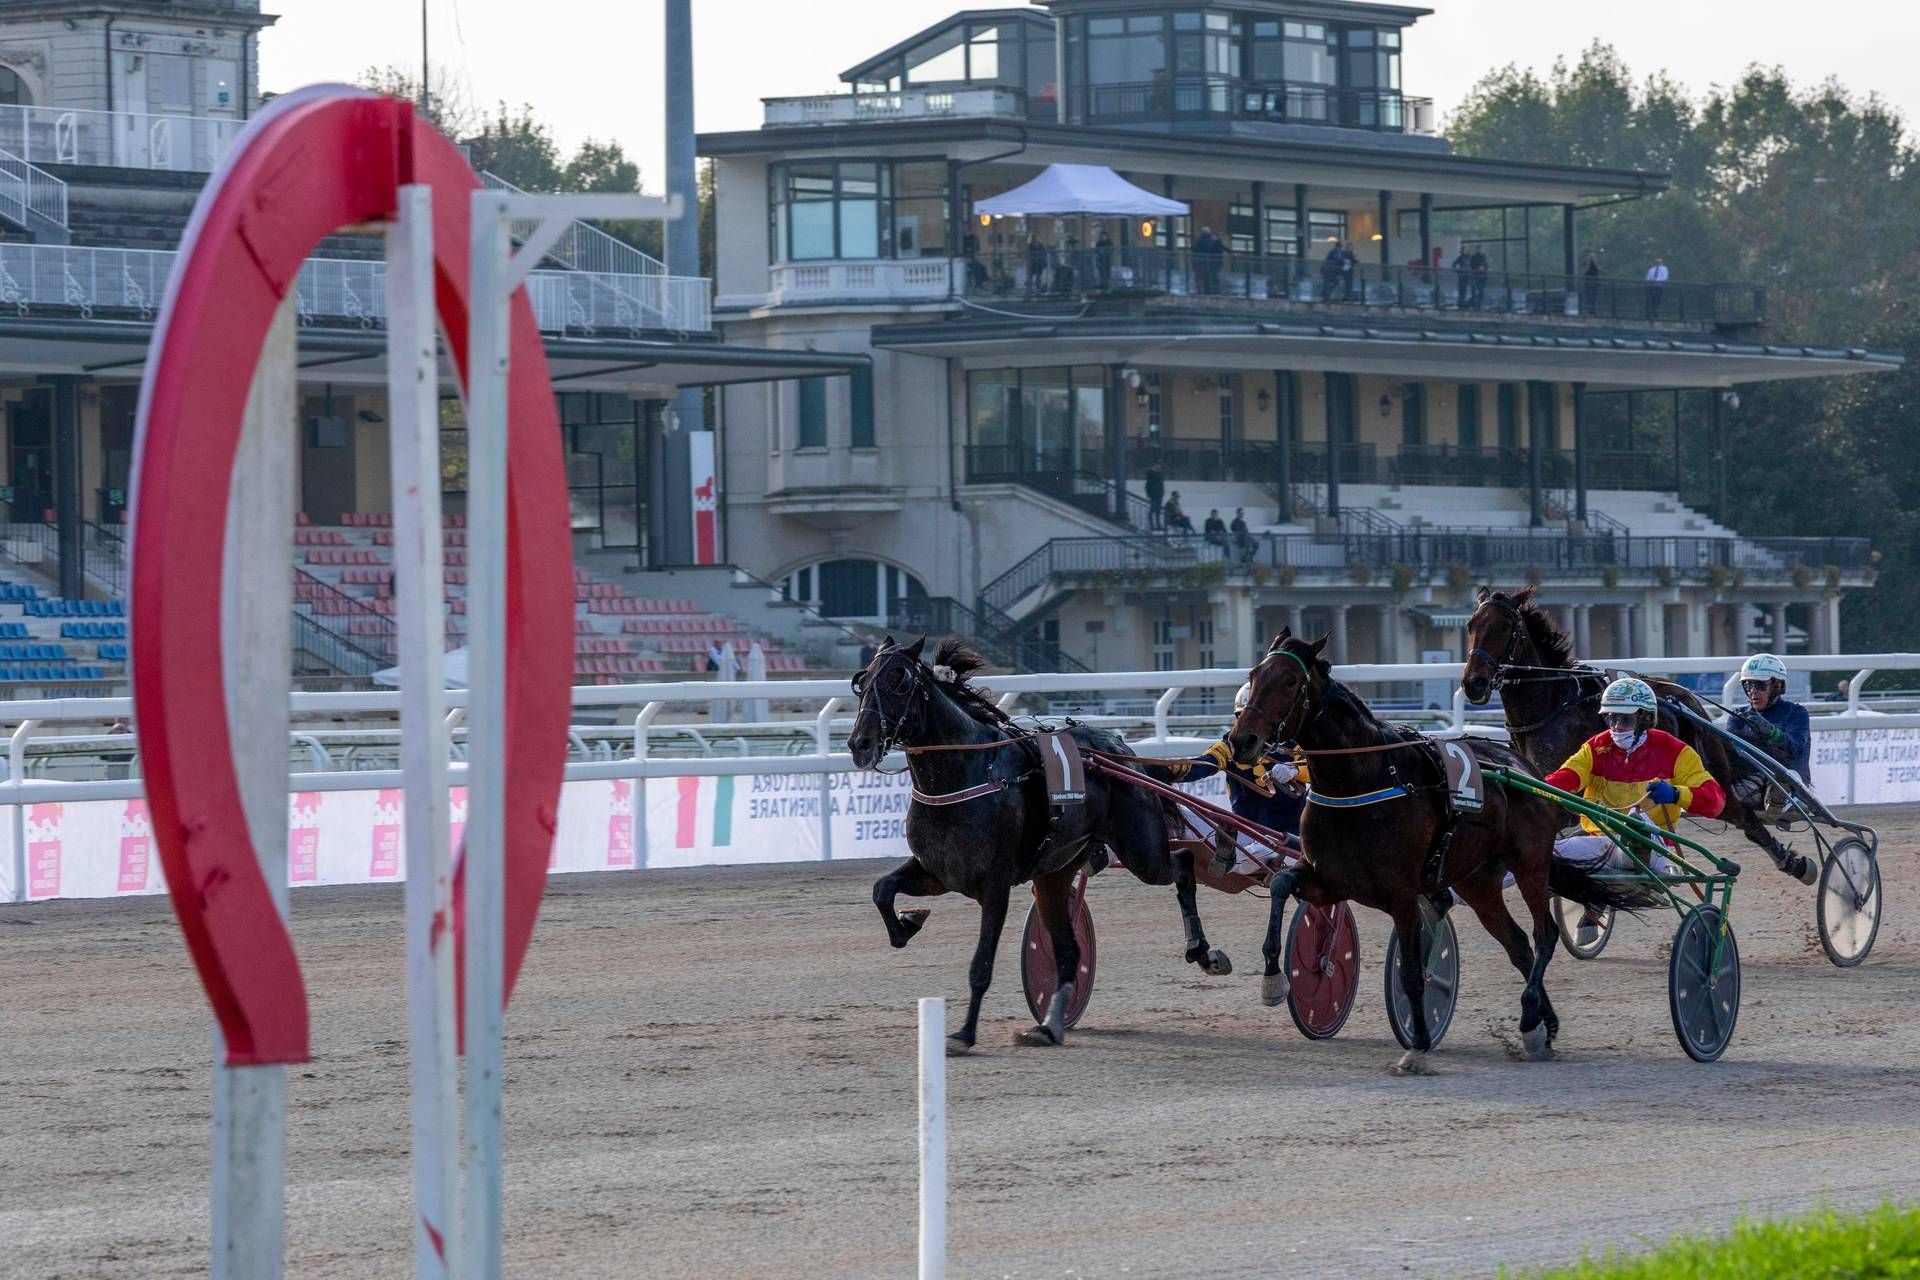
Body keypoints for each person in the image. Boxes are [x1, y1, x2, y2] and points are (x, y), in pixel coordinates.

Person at [1543, 677, 1731, 939]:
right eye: (1610, 719)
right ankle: (1465, 890)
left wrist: (1676, 793)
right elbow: (1564, 779)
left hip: (1653, 847)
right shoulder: (1596, 748)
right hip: (1602, 843)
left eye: (1625, 720)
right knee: (1536, 852)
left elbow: (1716, 801)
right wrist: (1530, 789)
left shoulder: (1674, 751)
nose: (1616, 728)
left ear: (1645, 719)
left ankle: (1634, 864)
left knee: (1635, 821)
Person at [1155, 681, 1306, 878]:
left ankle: (1229, 860)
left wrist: (1294, 770)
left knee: (1260, 851)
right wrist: (1161, 771)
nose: (1249, 726)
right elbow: (1203, 765)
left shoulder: (1293, 746)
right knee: (1178, 815)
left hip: (1286, 838)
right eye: (1242, 717)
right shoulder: (1229, 746)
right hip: (1241, 831)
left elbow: (1319, 769)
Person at [1727, 652, 1812, 809]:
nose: (1753, 691)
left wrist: (1771, 732)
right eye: (1748, 685)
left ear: (1777, 686)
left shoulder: (1796, 713)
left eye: (1759, 685)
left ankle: (1782, 799)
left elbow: (1795, 747)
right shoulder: (1738, 716)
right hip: (1752, 782)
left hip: (1790, 779)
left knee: (1785, 777)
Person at [1193, 225, 1226, 295]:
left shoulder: (1200, 240)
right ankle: (1213, 289)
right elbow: (1220, 247)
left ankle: (1202, 290)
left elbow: (1196, 250)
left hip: (1201, 260)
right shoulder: (1212, 240)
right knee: (1211, 276)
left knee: (1202, 276)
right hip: (1212, 260)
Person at [1144, 460, 1166, 530]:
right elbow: (1148, 484)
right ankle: (1152, 525)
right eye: (1158, 465)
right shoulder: (1151, 473)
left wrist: (1162, 492)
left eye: (1160, 465)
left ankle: (1158, 525)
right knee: (1152, 510)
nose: (1160, 466)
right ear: (1155, 465)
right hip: (1154, 494)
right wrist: (1149, 493)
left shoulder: (1159, 473)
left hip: (1159, 494)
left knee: (1158, 511)